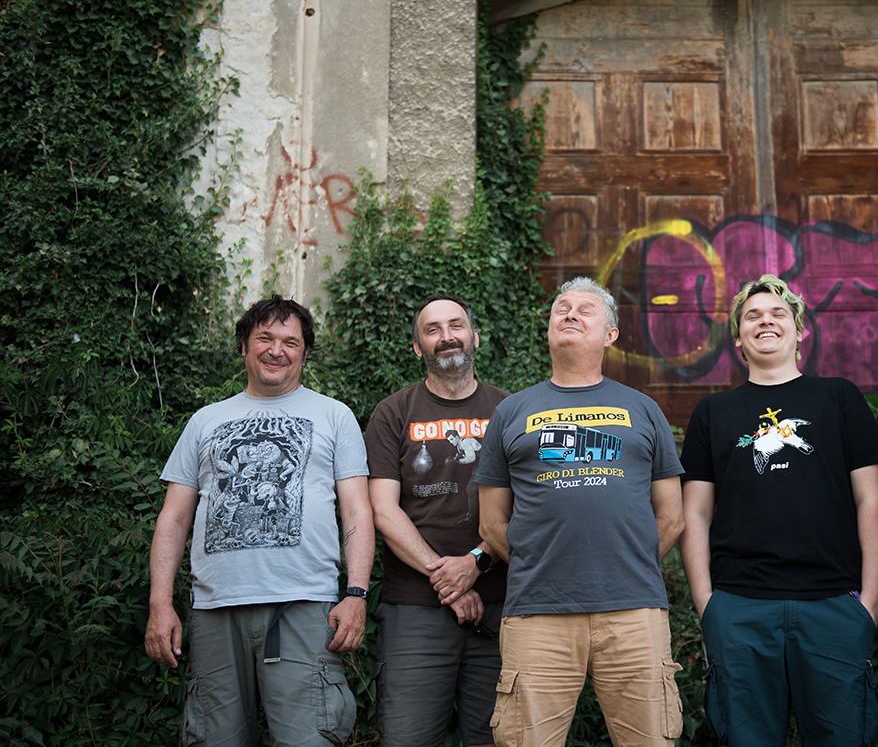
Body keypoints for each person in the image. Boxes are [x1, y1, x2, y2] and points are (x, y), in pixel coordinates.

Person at [144, 294, 373, 746]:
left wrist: (356, 593)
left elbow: (357, 510)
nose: (276, 350)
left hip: (302, 604)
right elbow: (173, 517)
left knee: (308, 738)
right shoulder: (205, 421)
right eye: (264, 338)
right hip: (215, 609)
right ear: (244, 346)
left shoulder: (334, 415)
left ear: (305, 352)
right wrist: (159, 603)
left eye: (290, 342)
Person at [678, 274, 878, 747]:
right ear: (738, 338)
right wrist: (708, 606)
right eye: (752, 316)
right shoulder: (712, 412)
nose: (766, 321)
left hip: (833, 604)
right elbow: (695, 514)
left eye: (778, 313)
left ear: (800, 330)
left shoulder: (839, 397)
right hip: (739, 607)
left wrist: (869, 605)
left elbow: (870, 501)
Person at [475, 276, 685, 747]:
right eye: (561, 308)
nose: (569, 313)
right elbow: (491, 522)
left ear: (610, 334)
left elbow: (672, 517)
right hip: (537, 612)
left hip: (634, 612)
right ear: (549, 329)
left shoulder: (643, 409)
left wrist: (625, 565)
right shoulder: (511, 412)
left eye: (585, 309)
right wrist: (543, 565)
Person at [364, 293, 509, 747]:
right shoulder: (393, 412)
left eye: (456, 326)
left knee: (499, 739)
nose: (447, 337)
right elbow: (383, 509)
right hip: (415, 609)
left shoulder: (510, 411)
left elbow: (528, 506)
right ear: (417, 346)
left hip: (503, 607)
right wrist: (449, 579)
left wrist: (476, 563)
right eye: (433, 330)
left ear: (475, 337)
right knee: (407, 738)